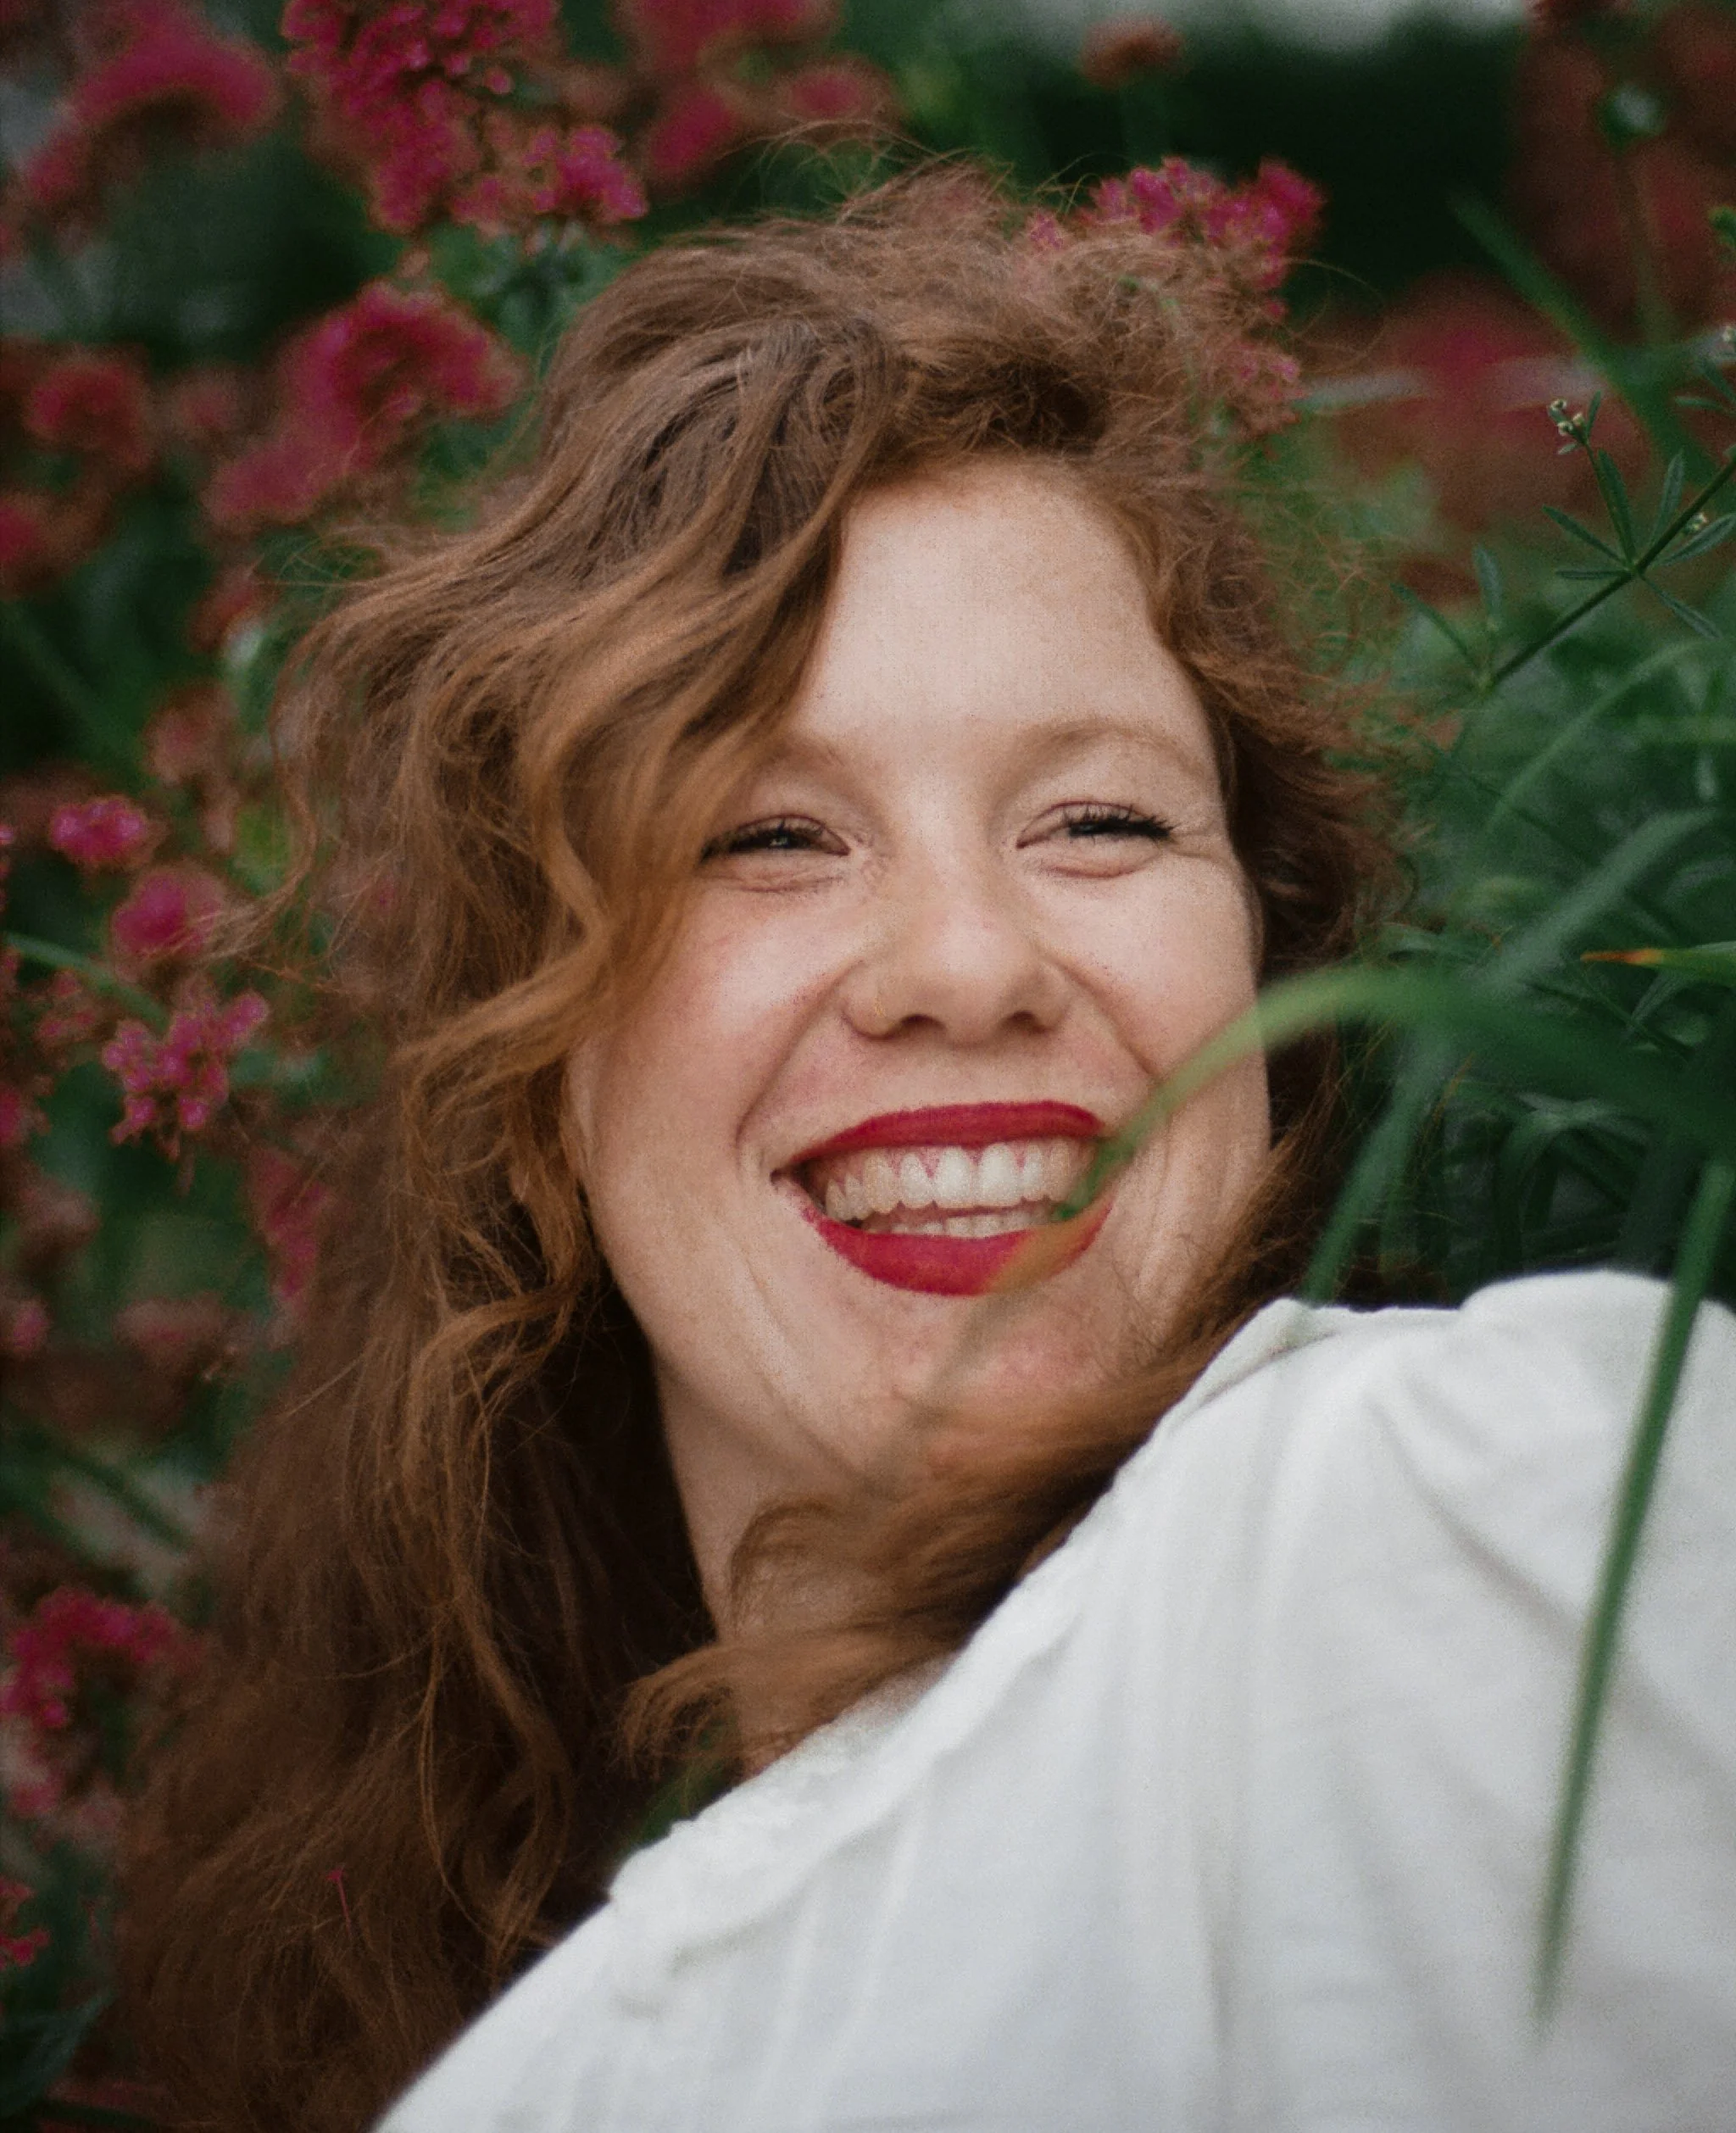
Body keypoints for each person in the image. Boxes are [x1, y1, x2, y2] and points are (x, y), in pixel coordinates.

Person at [123, 171, 1736, 2133]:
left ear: (1268, 978)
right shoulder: (540, 2068)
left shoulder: (1463, 1502)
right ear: (533, 1069)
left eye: (1101, 824)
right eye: (769, 836)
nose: (965, 966)